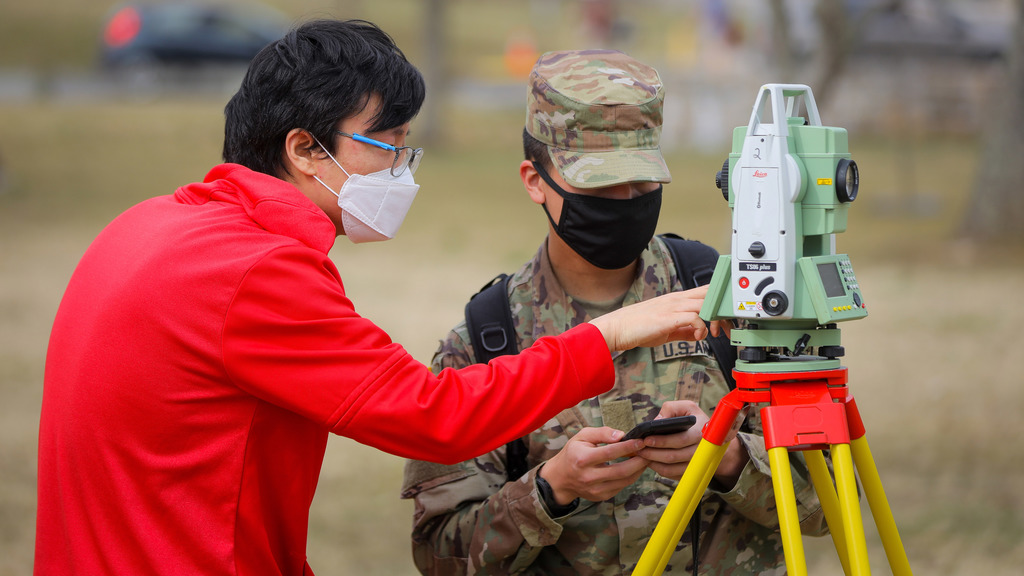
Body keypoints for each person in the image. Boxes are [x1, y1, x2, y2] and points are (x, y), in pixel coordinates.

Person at [33, 22, 716, 576]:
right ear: (304, 149)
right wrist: (613, 333)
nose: (401, 172)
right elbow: (436, 417)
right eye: (387, 146)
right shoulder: (256, 272)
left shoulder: (151, 225)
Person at [401, 49, 830, 575]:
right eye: (600, 184)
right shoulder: (484, 342)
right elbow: (439, 555)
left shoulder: (735, 300)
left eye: (643, 183)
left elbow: (832, 501)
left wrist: (729, 458)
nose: (624, 200)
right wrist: (550, 490)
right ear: (535, 180)